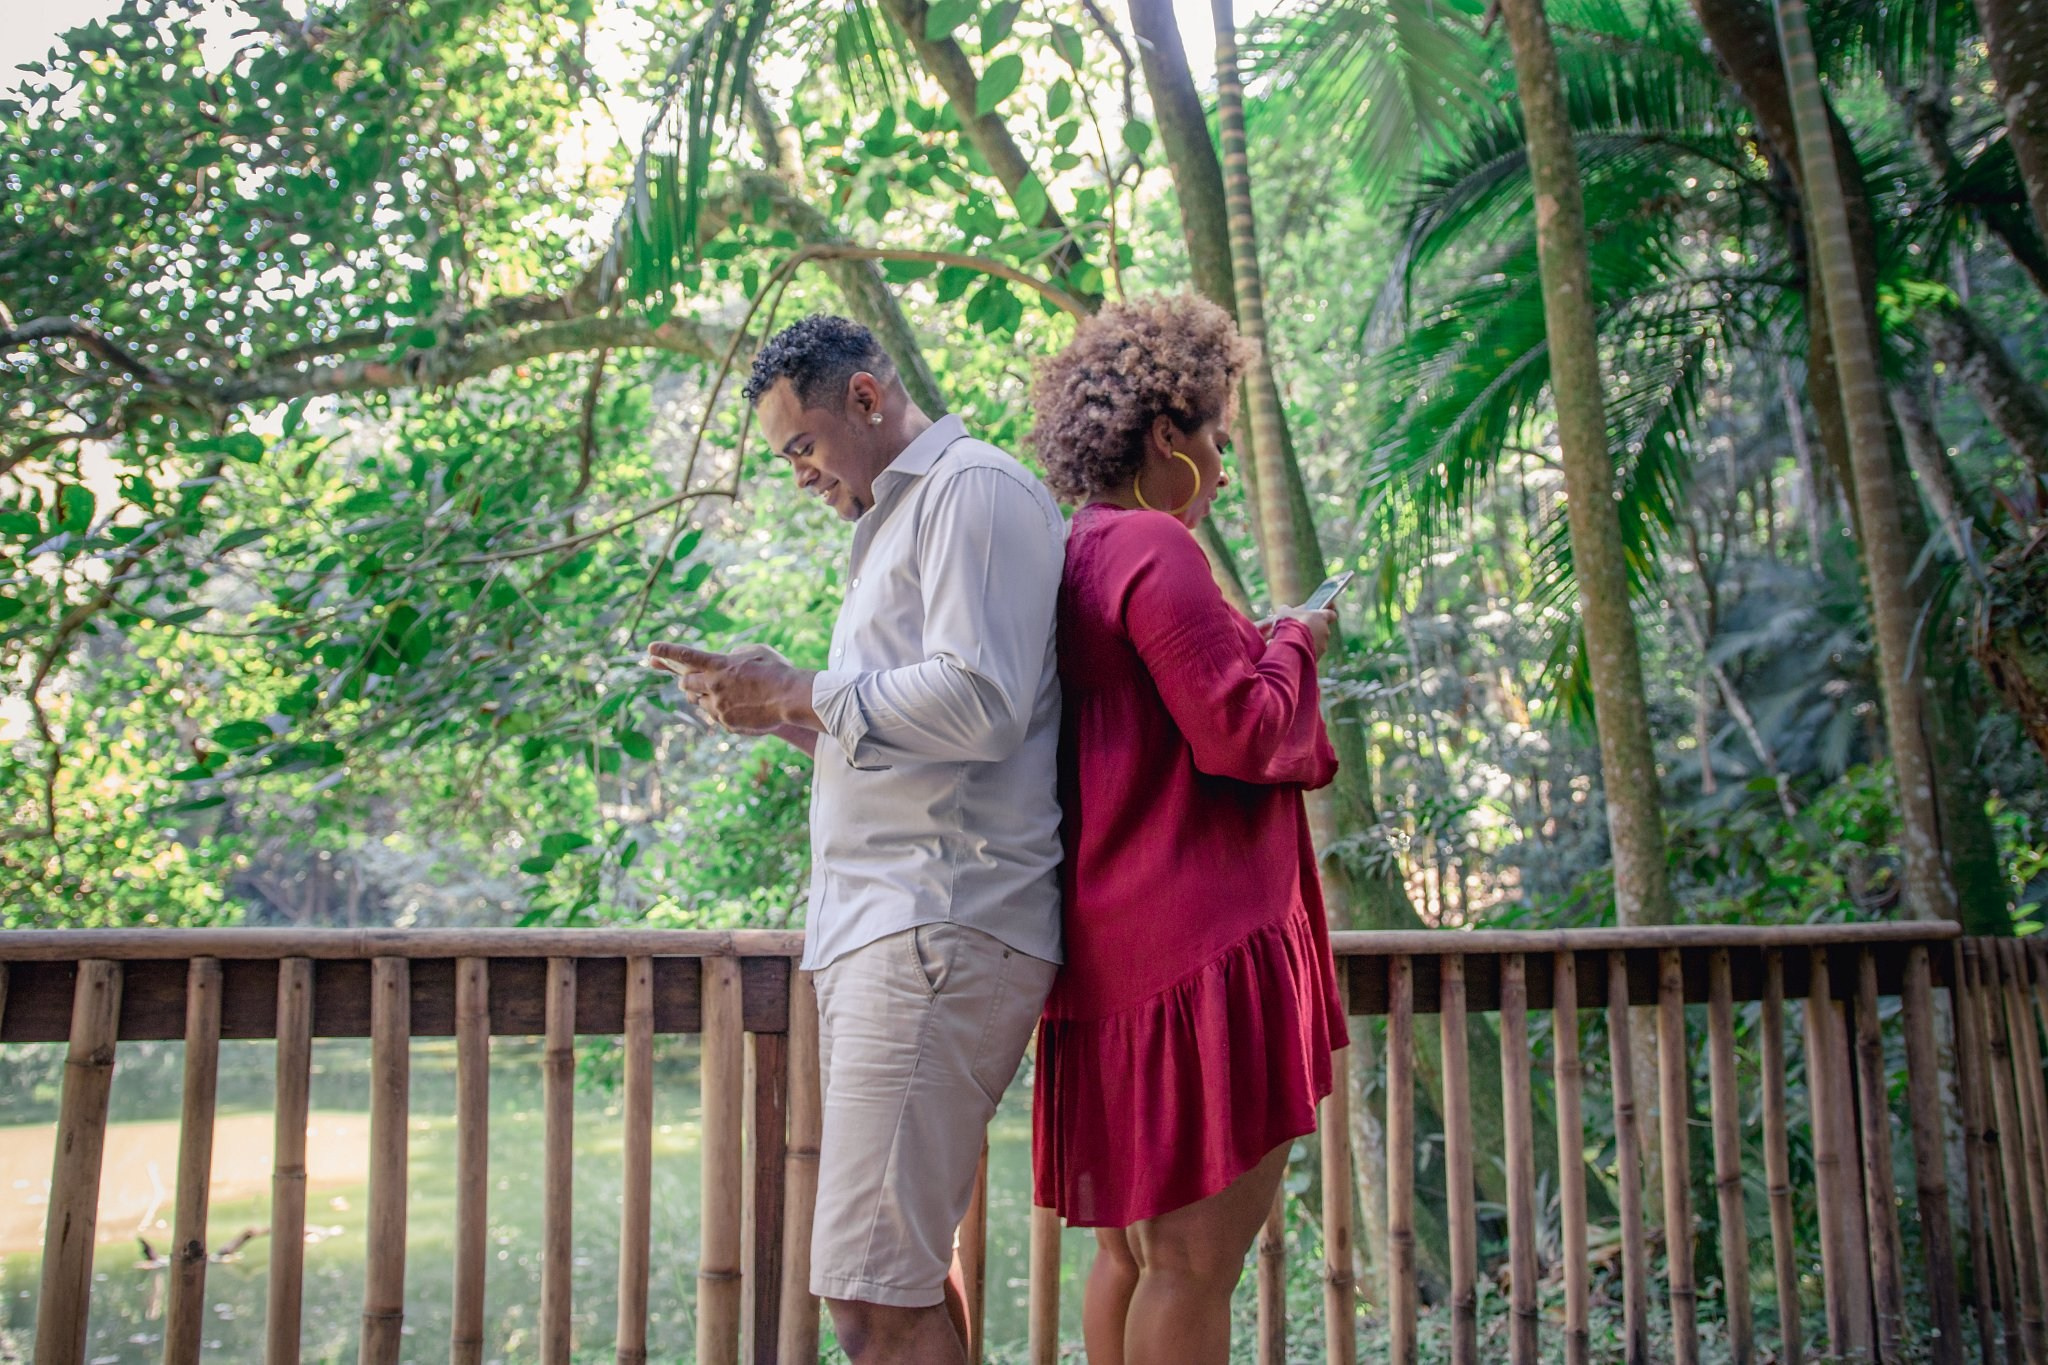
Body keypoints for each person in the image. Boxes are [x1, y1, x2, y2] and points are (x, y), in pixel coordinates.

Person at [647, 315, 1065, 1365]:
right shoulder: (891, 525)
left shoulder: (971, 489)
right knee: (900, 1276)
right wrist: (784, 716)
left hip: (940, 922)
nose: (793, 474)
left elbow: (981, 704)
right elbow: (912, 740)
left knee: (868, 1295)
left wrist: (799, 686)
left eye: (801, 445)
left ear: (868, 401)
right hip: (897, 928)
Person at [1026, 294, 1349, 1365]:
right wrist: (1296, 637)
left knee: (1133, 1256)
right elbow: (1242, 733)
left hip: (1113, 948)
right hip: (1195, 945)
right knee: (1196, 1264)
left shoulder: (1076, 550)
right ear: (1165, 434)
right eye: (1213, 435)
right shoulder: (1155, 552)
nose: (1221, 464)